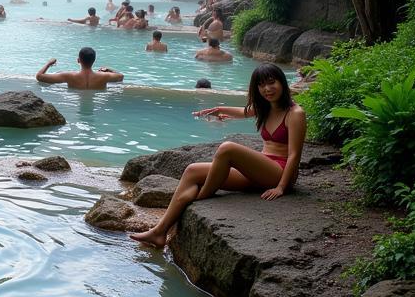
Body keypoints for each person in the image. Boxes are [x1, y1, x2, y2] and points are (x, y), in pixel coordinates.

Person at [129, 64, 306, 247]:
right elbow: (243, 112)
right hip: (260, 171)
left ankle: (202, 196)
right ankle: (159, 232)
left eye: (271, 83)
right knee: (192, 171)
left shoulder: (295, 114)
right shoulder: (266, 106)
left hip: (279, 172)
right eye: (261, 85)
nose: (267, 89)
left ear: (282, 83)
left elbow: (294, 155)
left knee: (227, 148)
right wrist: (218, 109)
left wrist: (281, 187)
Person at [36, 47, 123, 90]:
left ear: (78, 60)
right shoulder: (104, 76)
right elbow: (120, 76)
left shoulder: (68, 76)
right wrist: (109, 69)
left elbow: (39, 77)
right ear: (94, 60)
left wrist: (49, 63)